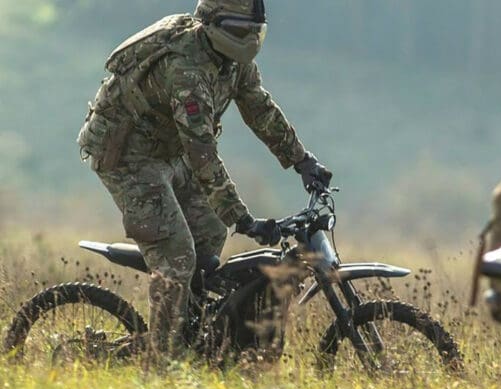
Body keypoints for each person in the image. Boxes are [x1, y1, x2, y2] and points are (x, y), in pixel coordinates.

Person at [77, 0, 332, 355]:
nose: (251, 39)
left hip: (170, 150)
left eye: (255, 31)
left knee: (211, 231)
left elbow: (260, 109)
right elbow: (202, 153)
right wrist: (241, 218)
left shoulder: (233, 62)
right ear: (215, 27)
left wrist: (302, 161)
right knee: (177, 254)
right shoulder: (186, 69)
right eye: (242, 30)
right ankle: (164, 360)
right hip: (128, 155)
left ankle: (195, 336)